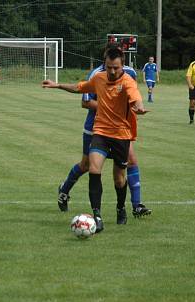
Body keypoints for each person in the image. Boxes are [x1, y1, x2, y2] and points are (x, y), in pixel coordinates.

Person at [43, 46, 147, 233]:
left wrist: (139, 107)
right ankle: (97, 216)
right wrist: (57, 85)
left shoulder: (128, 80)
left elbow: (135, 97)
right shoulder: (98, 77)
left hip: (121, 135)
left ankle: (121, 207)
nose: (112, 71)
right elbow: (79, 88)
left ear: (122, 64)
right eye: (109, 67)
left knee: (119, 179)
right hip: (99, 132)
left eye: (115, 67)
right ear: (104, 64)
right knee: (93, 168)